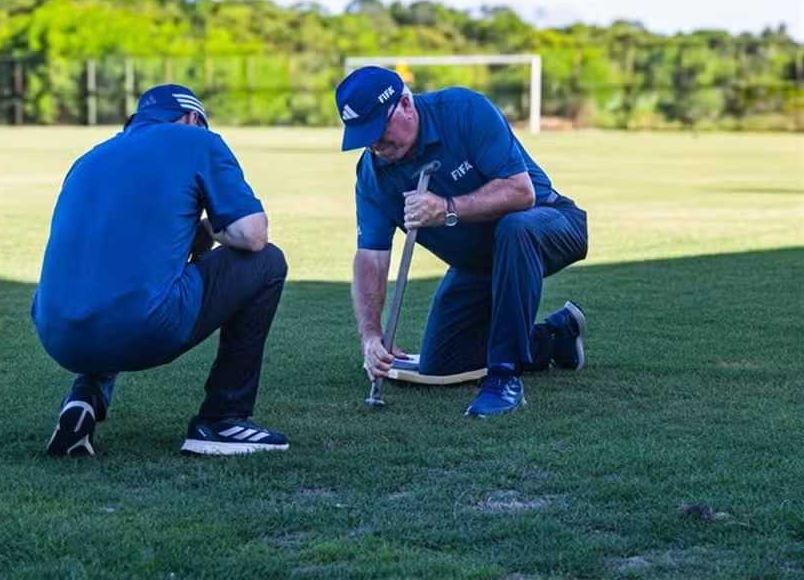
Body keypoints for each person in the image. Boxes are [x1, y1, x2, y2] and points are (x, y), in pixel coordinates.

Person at [32, 84, 290, 456]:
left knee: (116, 279)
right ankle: (223, 419)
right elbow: (252, 235)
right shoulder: (196, 140)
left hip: (57, 334)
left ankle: (85, 397)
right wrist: (209, 228)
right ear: (191, 118)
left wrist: (190, 235)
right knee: (267, 262)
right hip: (142, 328)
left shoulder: (89, 158)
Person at [337, 66, 589, 418]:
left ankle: (504, 378)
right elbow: (371, 259)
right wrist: (371, 337)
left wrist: (446, 209)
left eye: (380, 130)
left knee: (514, 229)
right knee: (442, 364)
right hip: (479, 262)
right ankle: (554, 336)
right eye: (366, 137)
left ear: (406, 105)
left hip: (549, 223)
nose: (376, 145)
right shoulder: (373, 176)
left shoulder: (464, 110)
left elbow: (521, 191)